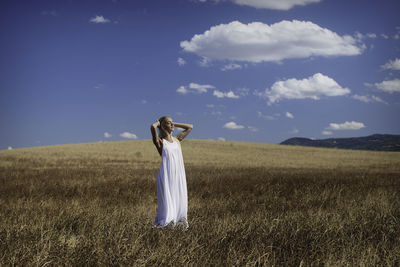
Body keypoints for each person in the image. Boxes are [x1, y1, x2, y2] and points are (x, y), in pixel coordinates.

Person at [150, 116, 193, 229]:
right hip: (166, 175)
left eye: (172, 122)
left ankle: (177, 224)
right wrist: (155, 125)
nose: (172, 125)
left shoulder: (177, 139)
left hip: (178, 175)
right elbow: (153, 134)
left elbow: (190, 127)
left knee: (179, 198)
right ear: (163, 126)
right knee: (167, 201)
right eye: (169, 123)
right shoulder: (161, 142)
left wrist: (174, 123)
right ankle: (166, 224)